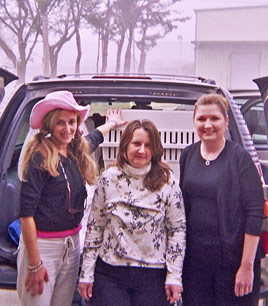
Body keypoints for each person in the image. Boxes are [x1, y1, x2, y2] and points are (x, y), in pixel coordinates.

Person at [16, 90, 127, 306]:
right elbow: (26, 216)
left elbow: (95, 137)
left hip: (72, 245)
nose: (67, 129)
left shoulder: (76, 150)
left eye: (72, 122)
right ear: (48, 125)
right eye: (60, 123)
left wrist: (112, 123)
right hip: (42, 247)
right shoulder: (39, 155)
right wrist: (34, 264)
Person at [78, 119, 186, 306]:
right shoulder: (109, 179)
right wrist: (86, 273)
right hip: (110, 273)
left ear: (155, 149)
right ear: (125, 144)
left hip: (153, 275)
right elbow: (95, 227)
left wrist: (174, 276)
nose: (142, 150)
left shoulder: (168, 181)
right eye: (136, 143)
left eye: (148, 145)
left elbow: (177, 230)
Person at [179, 93, 264, 306]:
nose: (208, 125)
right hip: (195, 263)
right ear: (194, 121)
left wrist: (246, 266)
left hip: (233, 262)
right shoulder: (187, 155)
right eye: (201, 119)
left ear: (226, 121)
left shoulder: (240, 159)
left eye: (214, 118)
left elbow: (255, 214)